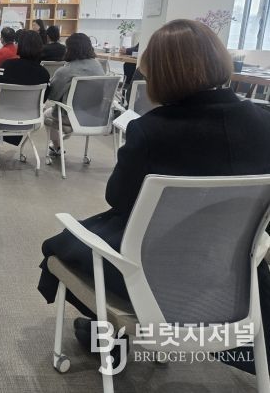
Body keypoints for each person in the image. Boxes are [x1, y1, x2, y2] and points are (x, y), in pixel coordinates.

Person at [37, 20, 270, 372]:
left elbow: (118, 198)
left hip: (156, 265)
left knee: (63, 246)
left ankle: (108, 336)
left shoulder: (151, 130)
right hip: (233, 268)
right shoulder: (264, 123)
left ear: (162, 75)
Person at [0, 30, 50, 154]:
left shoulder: (8, 66)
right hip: (29, 120)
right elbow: (44, 97)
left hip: (1, 117)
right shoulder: (44, 74)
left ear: (20, 46)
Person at [43, 33, 104, 156]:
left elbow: (52, 95)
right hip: (95, 115)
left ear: (69, 49)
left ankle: (57, 146)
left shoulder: (66, 71)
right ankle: (60, 142)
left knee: (46, 115)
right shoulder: (98, 66)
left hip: (71, 116)